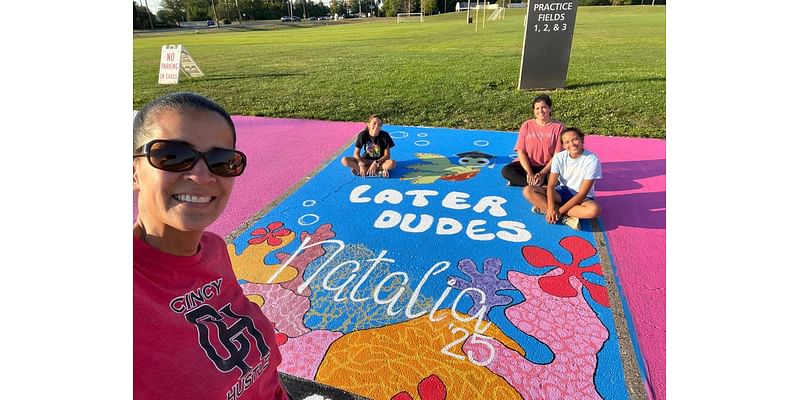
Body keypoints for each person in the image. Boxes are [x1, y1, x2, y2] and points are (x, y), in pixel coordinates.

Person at [133, 92, 290, 400]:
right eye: (173, 156)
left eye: (221, 161)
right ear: (133, 170)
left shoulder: (213, 249)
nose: (202, 176)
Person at [523, 127, 602, 230]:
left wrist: (559, 211)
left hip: (582, 198)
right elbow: (551, 185)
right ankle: (561, 214)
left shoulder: (592, 160)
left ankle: (547, 209)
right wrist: (551, 208)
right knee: (528, 190)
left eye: (575, 139)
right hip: (562, 192)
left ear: (582, 140)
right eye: (567, 142)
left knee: (594, 210)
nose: (572, 144)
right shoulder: (559, 157)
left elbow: (582, 194)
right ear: (563, 146)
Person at [501, 94, 564, 187]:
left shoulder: (559, 127)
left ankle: (523, 182)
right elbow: (521, 151)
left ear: (550, 109)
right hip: (528, 165)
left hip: (547, 167)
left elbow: (557, 155)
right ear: (534, 111)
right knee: (506, 171)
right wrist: (529, 172)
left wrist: (543, 173)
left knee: (558, 178)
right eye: (537, 108)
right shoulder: (527, 125)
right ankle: (538, 184)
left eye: (544, 107)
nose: (540, 111)